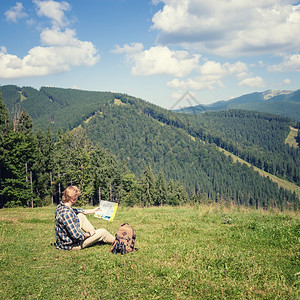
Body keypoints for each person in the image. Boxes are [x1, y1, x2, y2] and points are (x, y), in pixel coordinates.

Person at [54, 185, 115, 250]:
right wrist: (88, 234)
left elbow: (77, 211)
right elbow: (77, 236)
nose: (77, 199)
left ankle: (95, 236)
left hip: (63, 242)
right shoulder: (67, 214)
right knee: (103, 232)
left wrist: (93, 211)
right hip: (72, 245)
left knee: (80, 215)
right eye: (76, 197)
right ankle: (120, 241)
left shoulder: (60, 207)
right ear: (72, 199)